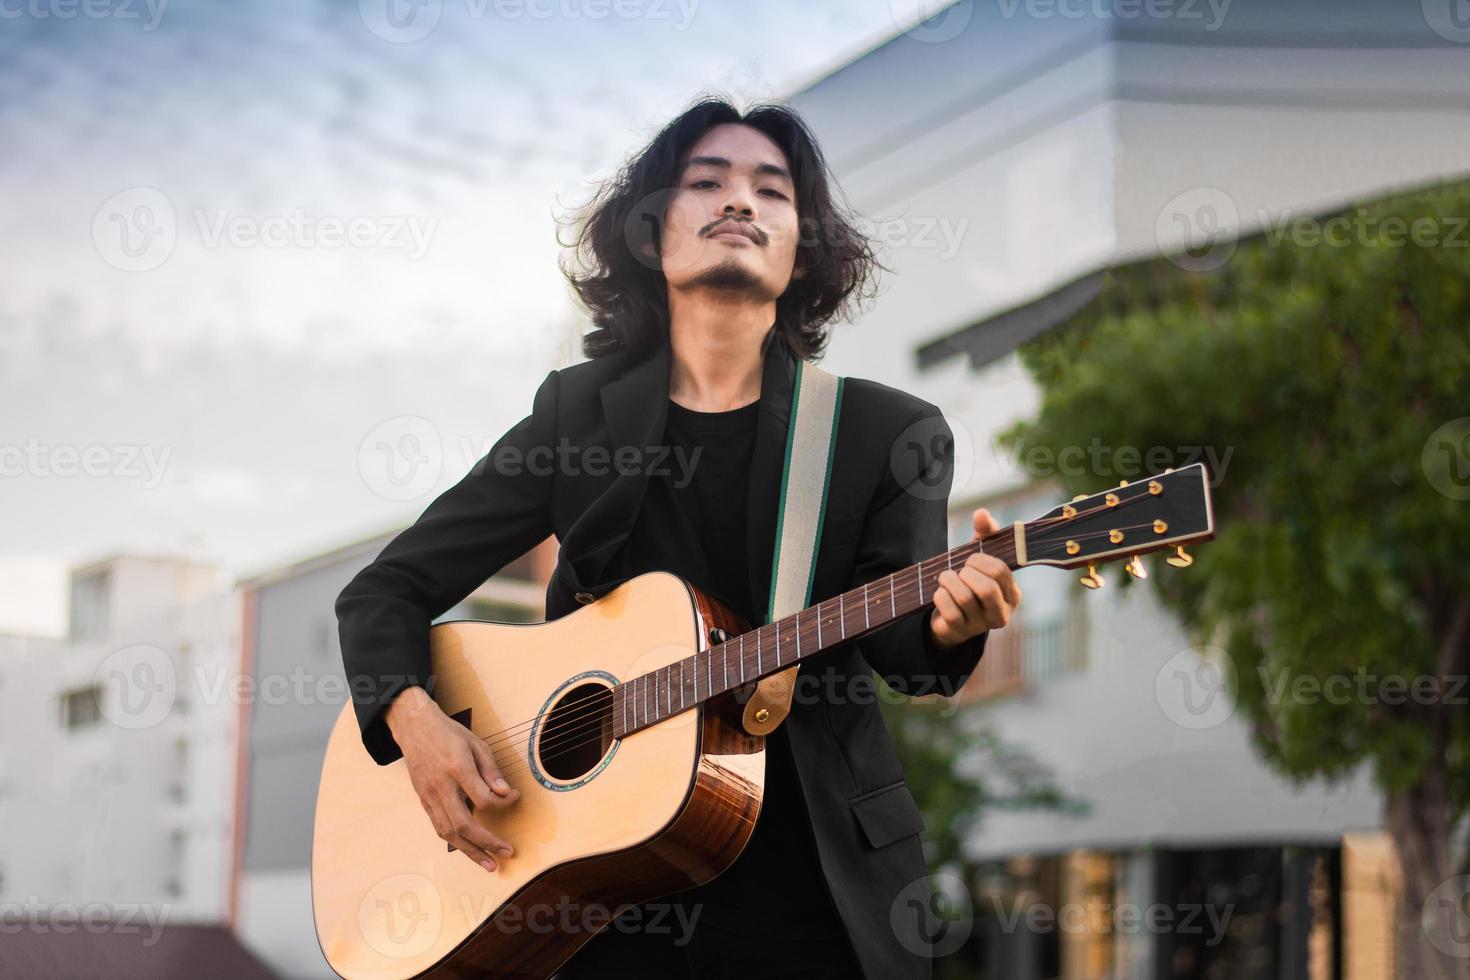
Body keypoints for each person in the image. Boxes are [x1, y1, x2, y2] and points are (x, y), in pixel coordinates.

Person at [334, 96, 1020, 980]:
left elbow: (906, 654)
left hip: (815, 894)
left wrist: (951, 625)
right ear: (652, 233)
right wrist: (414, 720)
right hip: (593, 897)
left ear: (801, 249)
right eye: (708, 182)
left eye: (771, 191)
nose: (740, 201)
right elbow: (383, 591)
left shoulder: (885, 432)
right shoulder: (574, 417)